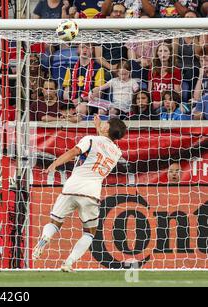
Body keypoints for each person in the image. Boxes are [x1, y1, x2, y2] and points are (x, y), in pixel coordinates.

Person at [33, 115, 127, 271]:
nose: (103, 124)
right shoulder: (117, 152)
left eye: (105, 123)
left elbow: (74, 152)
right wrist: (99, 127)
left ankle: (45, 239)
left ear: (106, 128)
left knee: (55, 222)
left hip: (71, 187)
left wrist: (54, 164)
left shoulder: (90, 139)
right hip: (91, 193)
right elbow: (104, 144)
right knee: (89, 233)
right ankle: (68, 263)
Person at [62, 43, 105, 116]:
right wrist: (69, 103)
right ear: (78, 50)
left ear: (92, 50)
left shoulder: (98, 68)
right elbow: (66, 89)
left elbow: (98, 94)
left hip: (89, 102)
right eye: (82, 47)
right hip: (73, 101)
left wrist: (80, 100)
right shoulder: (70, 68)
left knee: (80, 109)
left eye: (88, 47)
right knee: (65, 110)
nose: (85, 50)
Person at [148, 42, 182, 111]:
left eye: (165, 51)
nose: (163, 53)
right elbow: (149, 90)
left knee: (160, 111)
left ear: (170, 53)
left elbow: (177, 94)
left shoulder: (175, 70)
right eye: (160, 51)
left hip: (167, 104)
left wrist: (161, 103)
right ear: (157, 53)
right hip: (153, 103)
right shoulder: (152, 68)